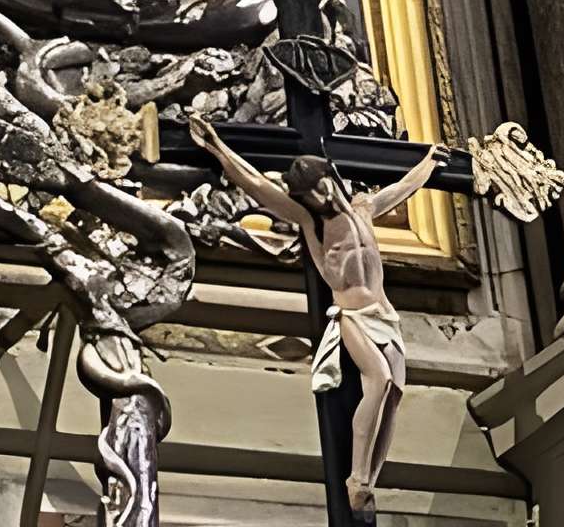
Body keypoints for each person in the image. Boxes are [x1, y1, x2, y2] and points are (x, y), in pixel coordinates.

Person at [190, 116, 445, 521]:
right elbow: (257, 184)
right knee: (376, 380)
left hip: (385, 315)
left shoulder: (363, 208)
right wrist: (217, 147)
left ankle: (369, 479)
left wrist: (428, 165)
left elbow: (399, 190)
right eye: (311, 193)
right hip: (353, 315)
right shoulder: (313, 223)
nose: (320, 195)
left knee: (393, 397)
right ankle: (356, 478)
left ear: (331, 176)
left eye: (321, 184)